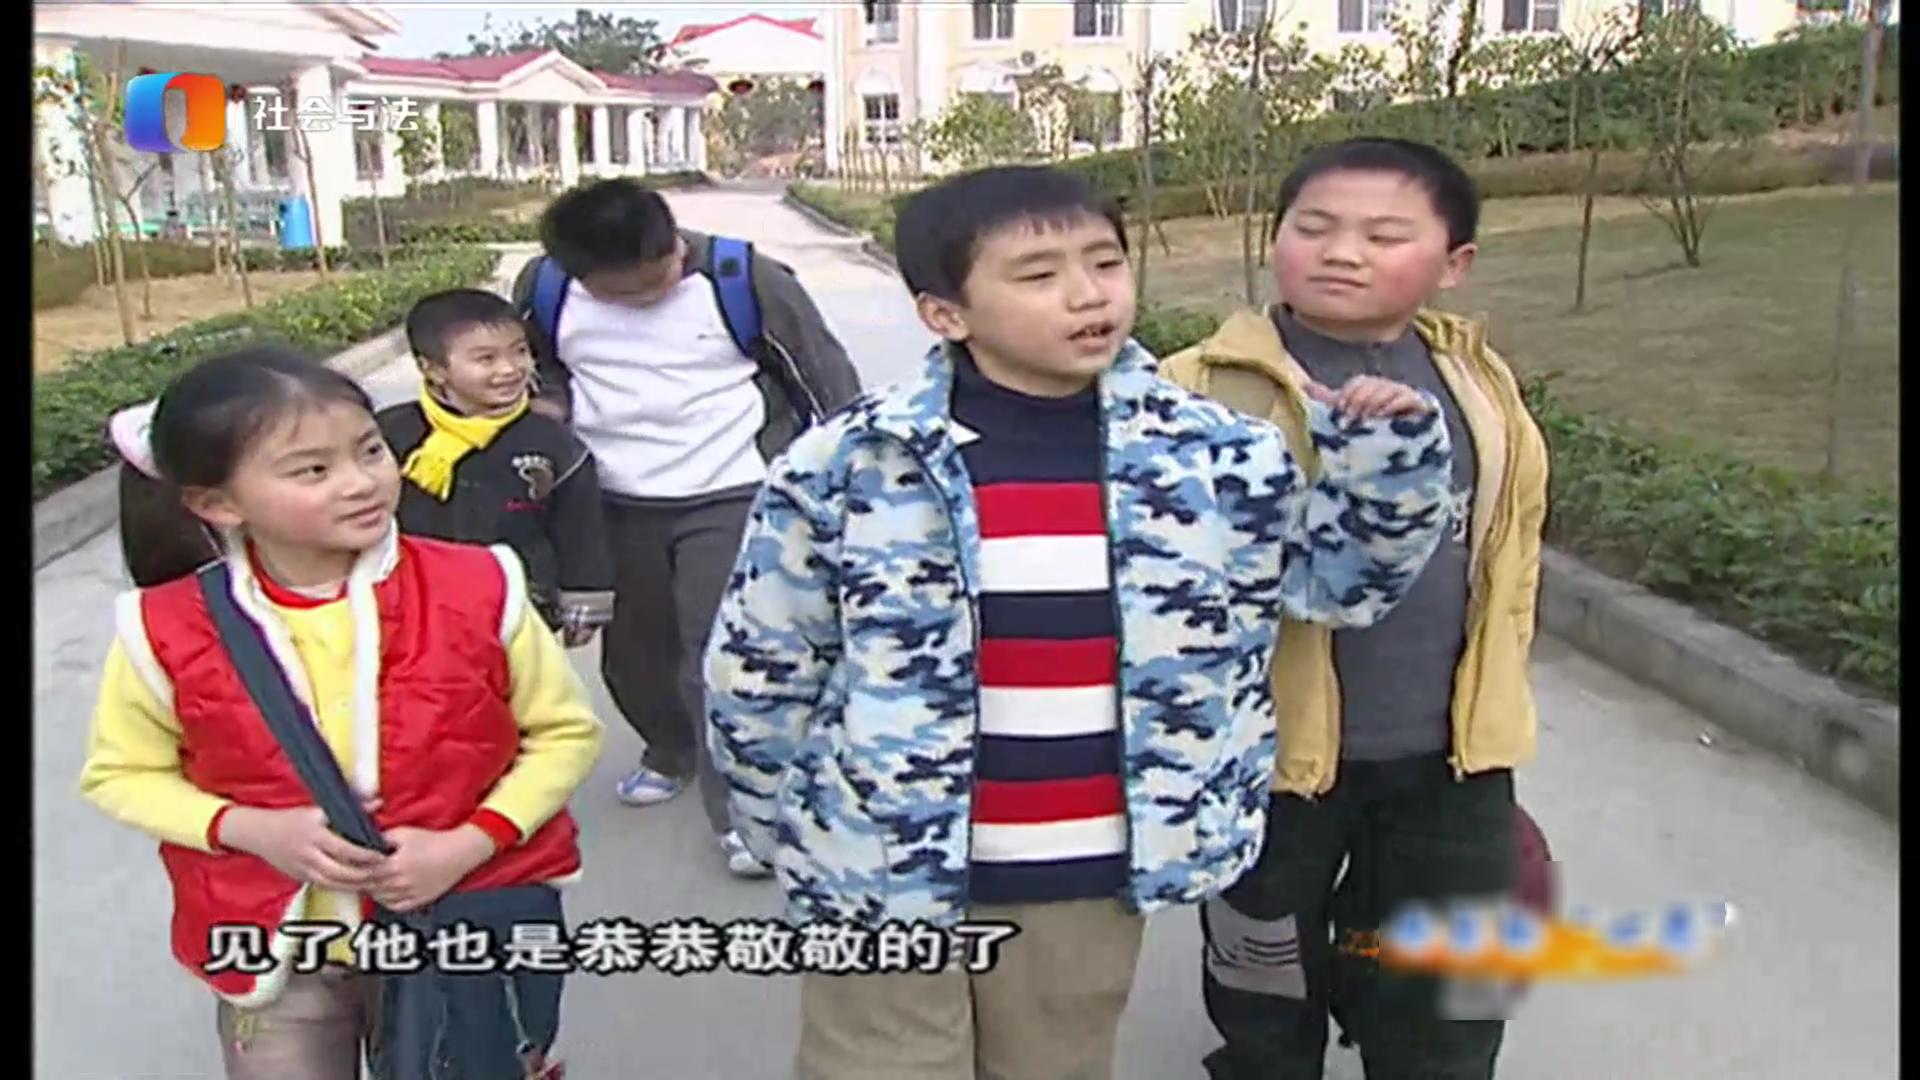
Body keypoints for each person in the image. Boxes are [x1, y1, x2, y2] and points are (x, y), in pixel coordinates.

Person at [703, 164, 1457, 1080]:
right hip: (879, 861)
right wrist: (785, 820)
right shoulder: (851, 461)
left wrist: (1388, 460)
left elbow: (1339, 589)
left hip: (1087, 864)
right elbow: (762, 662)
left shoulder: (1216, 455)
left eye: (1105, 262)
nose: (1088, 294)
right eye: (1038, 274)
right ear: (945, 313)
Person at [78, 345, 604, 1080]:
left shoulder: (480, 582)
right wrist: (251, 829)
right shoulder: (162, 627)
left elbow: (564, 733)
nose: (360, 483)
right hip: (277, 946)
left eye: (370, 451)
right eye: (312, 471)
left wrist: (467, 843)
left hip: (460, 923)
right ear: (218, 504)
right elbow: (121, 775)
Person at [1159, 137, 1551, 1080]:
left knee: (1448, 992)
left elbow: (1513, 552)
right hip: (1270, 765)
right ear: (1275, 236)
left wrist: (1500, 700)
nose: (1342, 253)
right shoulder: (1196, 390)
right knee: (1263, 976)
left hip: (1452, 756)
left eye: (1384, 235)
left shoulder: (1476, 381)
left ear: (1453, 263)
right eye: (1315, 227)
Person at [513, 178, 861, 877]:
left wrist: (848, 483)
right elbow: (537, 369)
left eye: (662, 271)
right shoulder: (545, 288)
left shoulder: (743, 278)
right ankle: (670, 747)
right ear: (582, 276)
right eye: (630, 291)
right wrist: (544, 423)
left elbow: (824, 378)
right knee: (634, 653)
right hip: (610, 497)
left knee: (719, 653)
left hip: (731, 489)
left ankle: (742, 813)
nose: (654, 290)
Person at [377, 287, 614, 644]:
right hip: (416, 609)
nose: (509, 369)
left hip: (520, 611)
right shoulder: (392, 434)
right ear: (433, 368)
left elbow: (579, 527)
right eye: (486, 359)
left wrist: (586, 598)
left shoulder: (551, 442)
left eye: (520, 351)